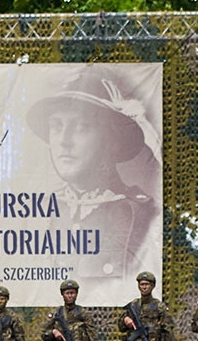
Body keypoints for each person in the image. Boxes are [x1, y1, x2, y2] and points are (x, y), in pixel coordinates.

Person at [25, 70, 162, 305]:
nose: (64, 141)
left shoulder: (142, 214)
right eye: (56, 126)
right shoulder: (39, 212)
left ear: (111, 140)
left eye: (80, 127)